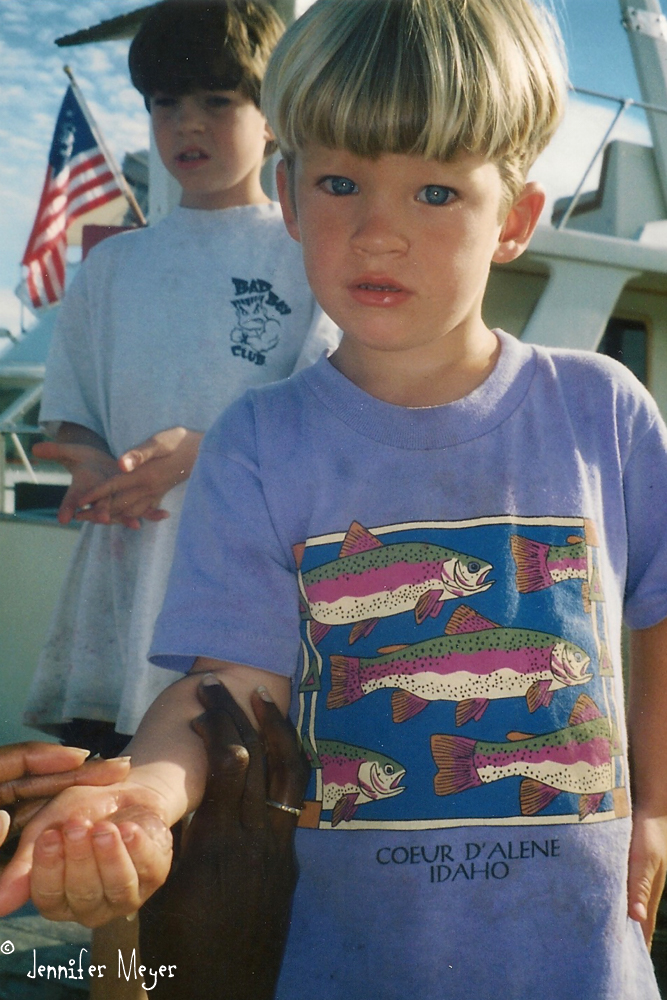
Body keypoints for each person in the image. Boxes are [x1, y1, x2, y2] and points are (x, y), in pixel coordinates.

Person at [3, 0, 667, 997]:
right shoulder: (260, 442)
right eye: (340, 181)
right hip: (341, 960)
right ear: (287, 190)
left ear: (516, 219)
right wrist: (145, 790)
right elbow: (228, 684)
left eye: (436, 190)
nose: (375, 231)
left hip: (581, 963)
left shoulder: (604, 410)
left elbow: (656, 611)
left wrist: (655, 803)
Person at [24, 0, 338, 749]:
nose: (187, 124)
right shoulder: (110, 264)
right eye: (166, 104)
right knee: (104, 785)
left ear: (271, 117)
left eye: (217, 102)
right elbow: (70, 415)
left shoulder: (308, 256)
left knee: (227, 793)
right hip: (124, 573)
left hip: (247, 585)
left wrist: (207, 448)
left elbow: (328, 406)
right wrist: (90, 461)